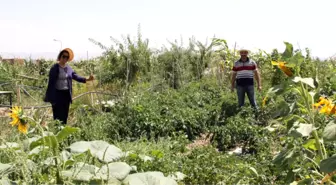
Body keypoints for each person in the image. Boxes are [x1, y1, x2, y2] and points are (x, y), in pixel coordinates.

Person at [44, 48, 94, 124]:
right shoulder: (54, 68)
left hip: (66, 95)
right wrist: (50, 97)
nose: (65, 58)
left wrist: (87, 79)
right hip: (57, 95)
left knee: (65, 115)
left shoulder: (69, 69)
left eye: (67, 57)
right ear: (60, 56)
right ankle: (57, 132)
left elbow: (76, 77)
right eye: (63, 56)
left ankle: (64, 131)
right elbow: (51, 83)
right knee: (57, 115)